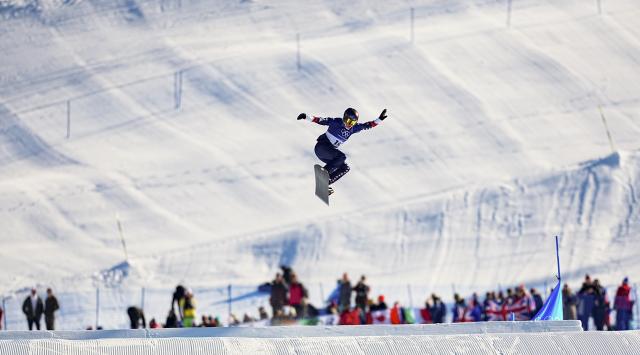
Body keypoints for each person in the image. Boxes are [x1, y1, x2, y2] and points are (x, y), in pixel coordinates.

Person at [297, 108, 388, 194]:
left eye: (353, 122)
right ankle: (322, 175)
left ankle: (325, 184)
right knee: (341, 157)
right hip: (322, 147)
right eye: (348, 121)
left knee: (344, 168)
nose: (350, 124)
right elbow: (320, 120)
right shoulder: (337, 122)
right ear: (344, 118)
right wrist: (306, 117)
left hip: (328, 154)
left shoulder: (353, 128)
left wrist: (379, 119)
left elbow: (367, 125)